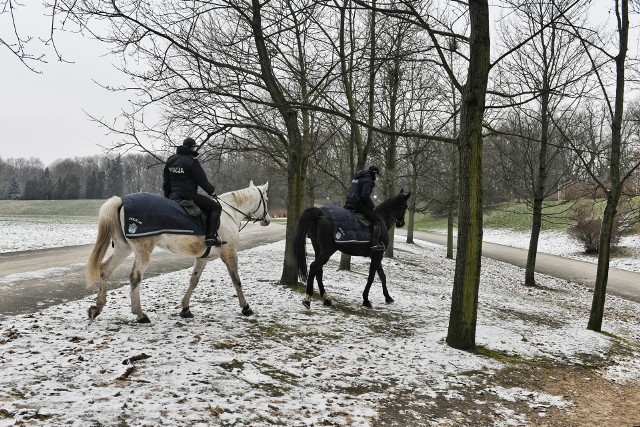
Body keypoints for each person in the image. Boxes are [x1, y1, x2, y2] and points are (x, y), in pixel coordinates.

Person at [163, 137, 226, 247]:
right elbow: (202, 181)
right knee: (216, 208)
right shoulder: (192, 161)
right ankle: (210, 237)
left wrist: (167, 196)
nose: (196, 150)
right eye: (194, 147)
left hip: (173, 196)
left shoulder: (171, 160)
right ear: (191, 148)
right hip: (188, 195)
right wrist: (212, 191)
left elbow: (166, 182)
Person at [344, 165, 385, 251]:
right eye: (377, 175)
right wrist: (372, 207)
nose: (377, 178)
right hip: (357, 205)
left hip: (349, 202)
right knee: (377, 220)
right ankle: (374, 243)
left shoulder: (359, 177)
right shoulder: (368, 180)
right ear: (374, 173)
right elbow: (365, 195)